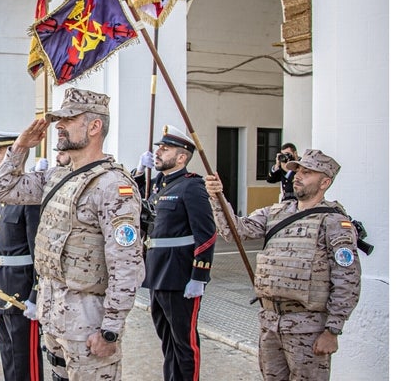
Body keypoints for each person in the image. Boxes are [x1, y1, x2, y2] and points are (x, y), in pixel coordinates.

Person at [0, 88, 144, 381]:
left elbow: (126, 264)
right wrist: (21, 147)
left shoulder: (113, 186)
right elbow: (1, 191)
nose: (58, 125)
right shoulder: (56, 177)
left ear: (94, 126)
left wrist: (110, 331)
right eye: (58, 119)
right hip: (55, 317)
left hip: (89, 322)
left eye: (68, 119)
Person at [204, 149, 361, 380]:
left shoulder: (334, 222)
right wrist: (217, 198)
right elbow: (234, 230)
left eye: (307, 173)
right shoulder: (274, 213)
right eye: (297, 171)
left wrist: (332, 330)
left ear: (325, 182)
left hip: (308, 328)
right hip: (270, 323)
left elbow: (347, 280)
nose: (297, 176)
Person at [134, 125, 216, 381]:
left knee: (184, 343)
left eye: (165, 149)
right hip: (157, 274)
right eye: (158, 147)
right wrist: (138, 172)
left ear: (182, 157)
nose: (158, 152)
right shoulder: (159, 186)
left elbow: (207, 233)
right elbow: (135, 204)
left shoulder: (191, 187)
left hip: (180, 277)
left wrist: (199, 277)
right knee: (167, 341)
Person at [0, 129, 43, 381]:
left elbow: (37, 250)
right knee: (7, 351)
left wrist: (35, 294)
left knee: (23, 357)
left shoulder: (29, 196)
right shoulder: (2, 196)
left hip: (21, 288)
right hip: (1, 283)